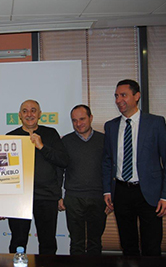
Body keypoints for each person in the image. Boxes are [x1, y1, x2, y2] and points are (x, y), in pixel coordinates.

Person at [102, 79, 166, 256]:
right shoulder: (111, 126)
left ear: (137, 96)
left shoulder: (155, 123)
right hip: (121, 192)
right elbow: (107, 160)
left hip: (148, 193)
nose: (119, 100)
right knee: (128, 246)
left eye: (123, 95)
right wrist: (107, 191)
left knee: (151, 245)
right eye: (116, 96)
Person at [7, 99, 69, 254]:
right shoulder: (10, 137)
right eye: (25, 111)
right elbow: (2, 173)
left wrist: (42, 146)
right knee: (17, 242)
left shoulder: (50, 134)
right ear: (20, 115)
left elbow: (63, 161)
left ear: (40, 114)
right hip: (18, 199)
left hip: (47, 196)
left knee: (47, 242)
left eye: (33, 110)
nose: (30, 114)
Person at [58, 105, 108, 255]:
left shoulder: (105, 140)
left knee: (95, 242)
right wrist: (59, 196)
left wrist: (111, 197)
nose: (78, 124)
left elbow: (111, 170)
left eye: (82, 119)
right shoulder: (65, 141)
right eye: (74, 120)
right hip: (74, 199)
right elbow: (59, 170)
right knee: (76, 243)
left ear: (91, 118)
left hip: (98, 198)